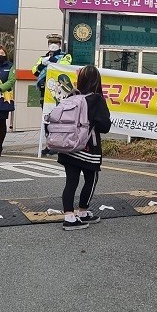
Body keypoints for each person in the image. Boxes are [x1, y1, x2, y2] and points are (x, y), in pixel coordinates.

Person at [57, 64, 111, 232]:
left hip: (68, 146)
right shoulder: (96, 99)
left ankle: (69, 216)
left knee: (71, 182)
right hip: (88, 148)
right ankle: (83, 211)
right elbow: (105, 126)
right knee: (91, 179)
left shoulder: (71, 96)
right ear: (97, 81)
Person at [32, 34, 72, 106]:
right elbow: (35, 72)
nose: (53, 45)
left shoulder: (66, 56)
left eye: (56, 43)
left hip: (60, 89)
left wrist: (53, 60)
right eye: (51, 43)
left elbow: (65, 66)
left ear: (60, 44)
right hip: (45, 88)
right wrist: (42, 65)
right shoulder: (43, 58)